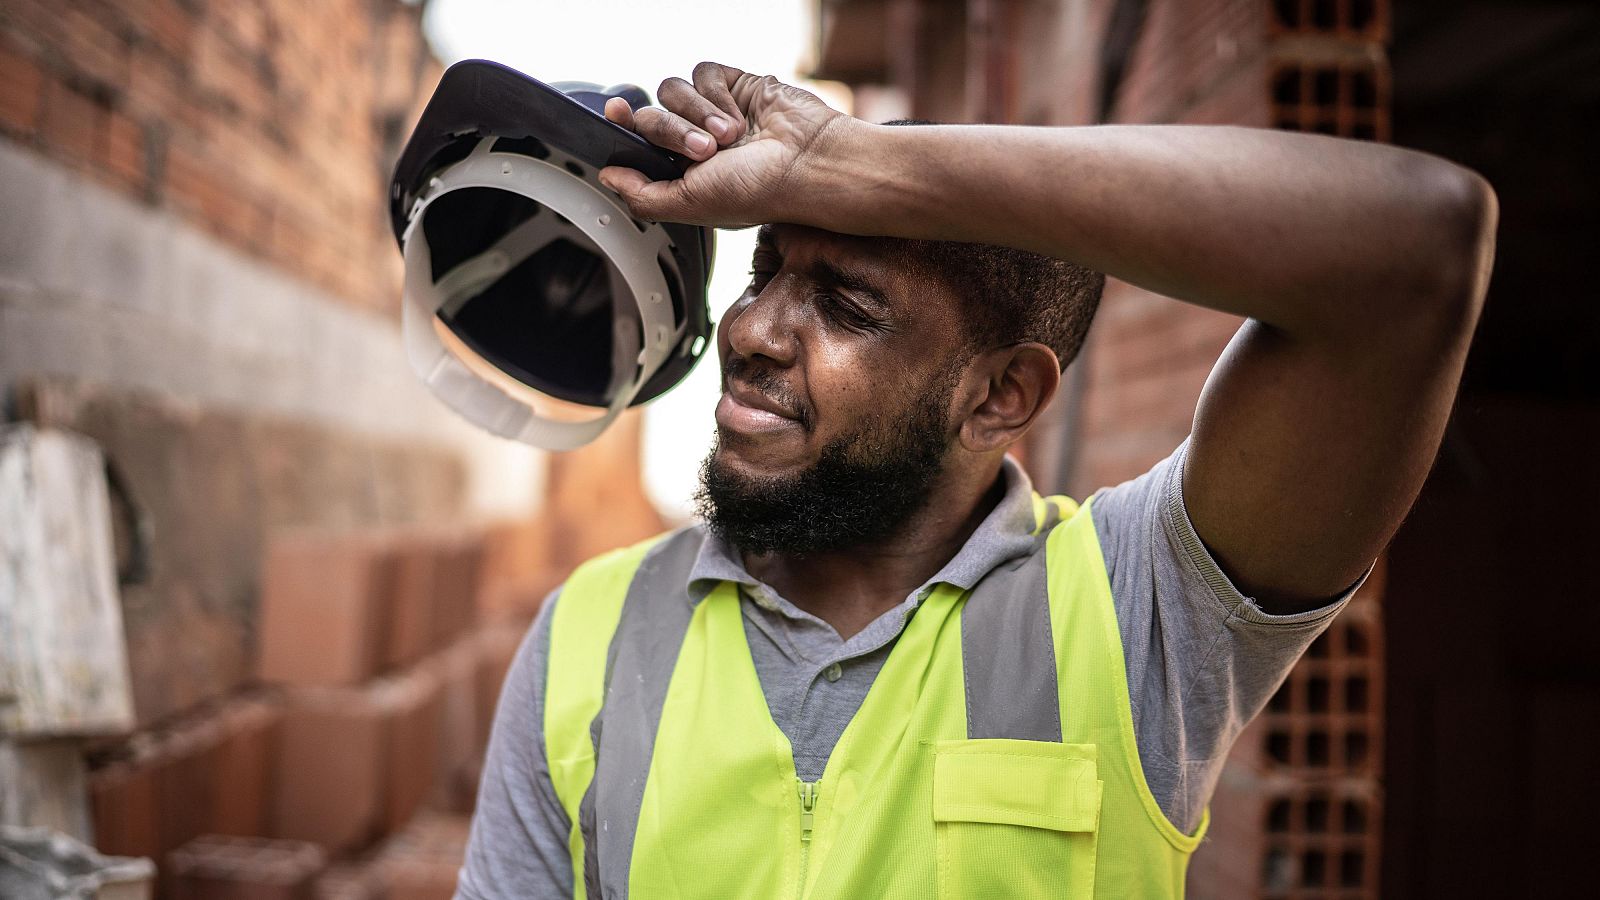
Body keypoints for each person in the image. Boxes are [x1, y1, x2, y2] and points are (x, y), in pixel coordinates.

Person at [455, 63, 1495, 899]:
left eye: (847, 307)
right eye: (765, 269)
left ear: (999, 396)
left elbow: (1418, 248)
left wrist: (849, 162)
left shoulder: (1134, 613)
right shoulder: (589, 632)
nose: (753, 331)